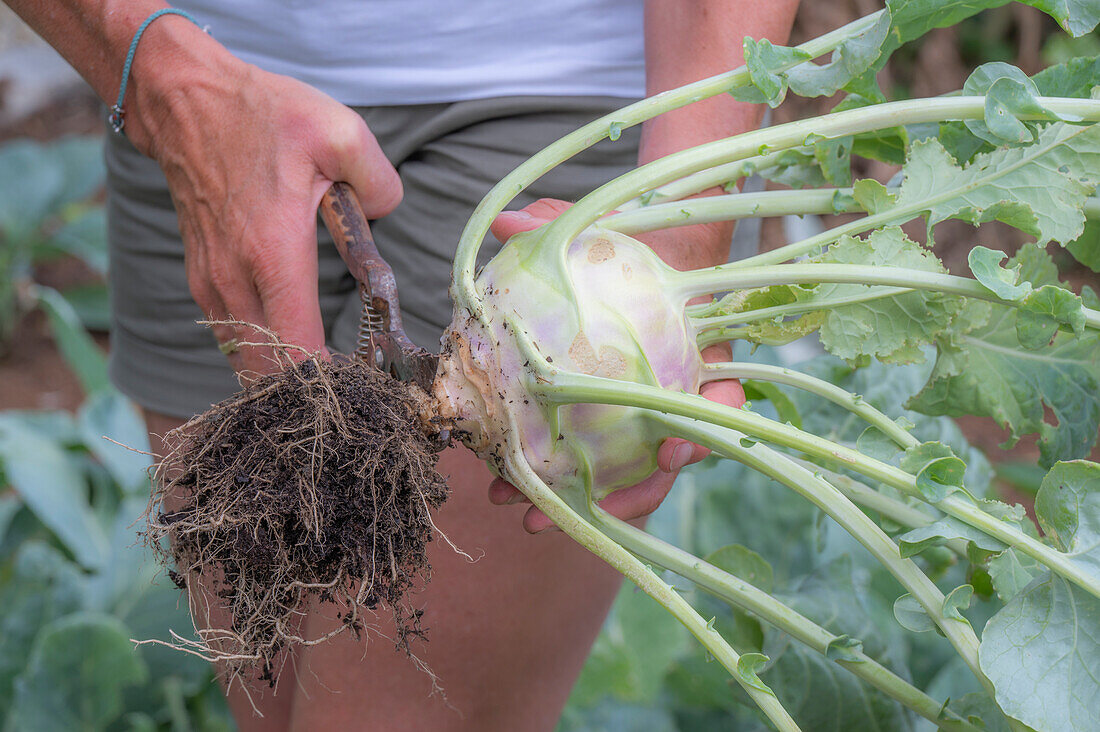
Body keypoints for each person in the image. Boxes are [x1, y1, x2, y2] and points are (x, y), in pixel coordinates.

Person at [7, 1, 798, 728]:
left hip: (560, 100)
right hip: (178, 71)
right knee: (266, 695)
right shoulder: (167, 86)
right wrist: (159, 77)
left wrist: (682, 237)